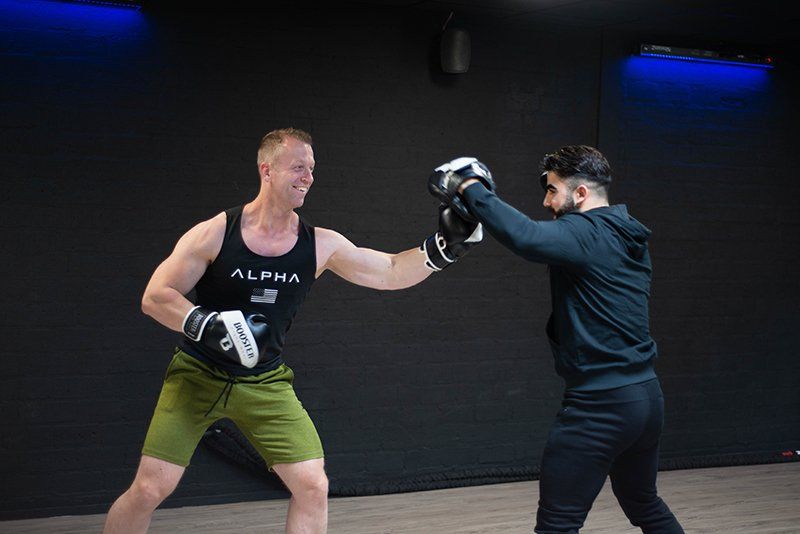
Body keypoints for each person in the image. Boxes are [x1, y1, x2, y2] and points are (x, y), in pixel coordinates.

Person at [103, 127, 484, 534]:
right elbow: (156, 295)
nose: (308, 177)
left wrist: (444, 248)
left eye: (312, 169)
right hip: (198, 375)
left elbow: (390, 272)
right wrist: (207, 325)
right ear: (266, 170)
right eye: (298, 167)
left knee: (312, 485)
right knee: (149, 488)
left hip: (265, 383)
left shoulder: (319, 244)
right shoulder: (218, 231)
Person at [429, 147, 684, 533]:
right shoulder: (627, 233)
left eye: (552, 190)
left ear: (580, 194)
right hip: (645, 398)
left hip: (600, 407)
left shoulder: (587, 232)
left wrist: (469, 185)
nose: (546, 201)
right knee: (642, 502)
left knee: (557, 524)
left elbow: (526, 237)